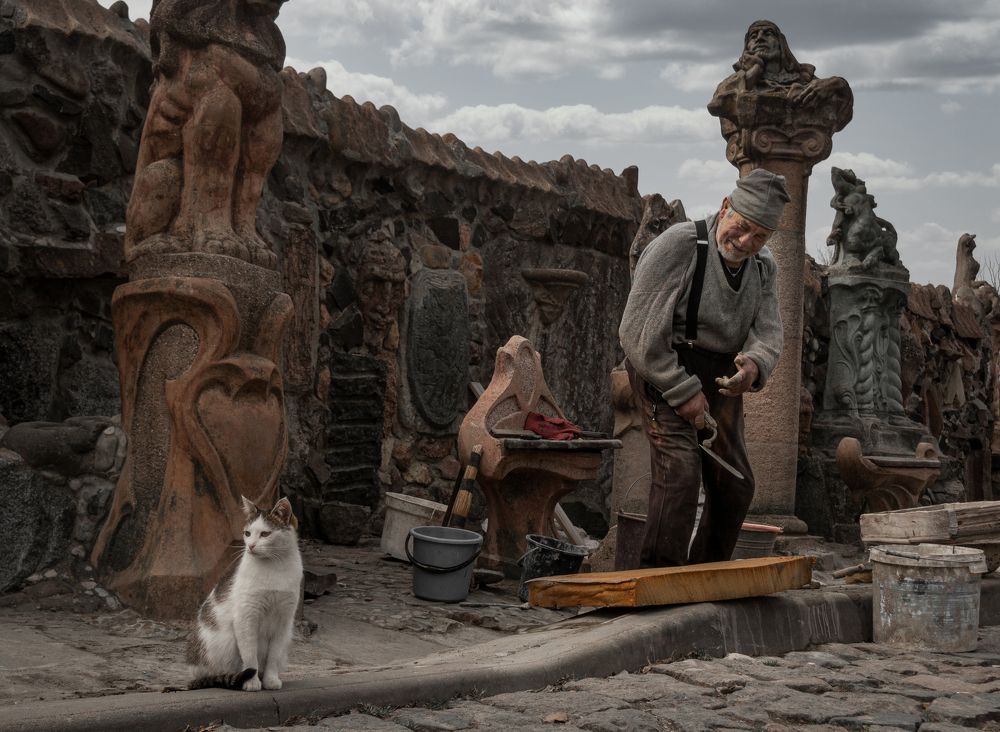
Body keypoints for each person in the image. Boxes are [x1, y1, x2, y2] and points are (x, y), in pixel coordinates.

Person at [618, 168, 789, 567]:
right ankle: (658, 581)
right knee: (679, 476)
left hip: (720, 378)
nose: (747, 242)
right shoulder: (680, 244)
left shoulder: (764, 267)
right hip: (664, 367)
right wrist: (682, 391)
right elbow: (637, 333)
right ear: (725, 206)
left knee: (736, 486)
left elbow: (768, 332)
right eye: (742, 227)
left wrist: (753, 365)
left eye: (760, 236)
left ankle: (702, 577)